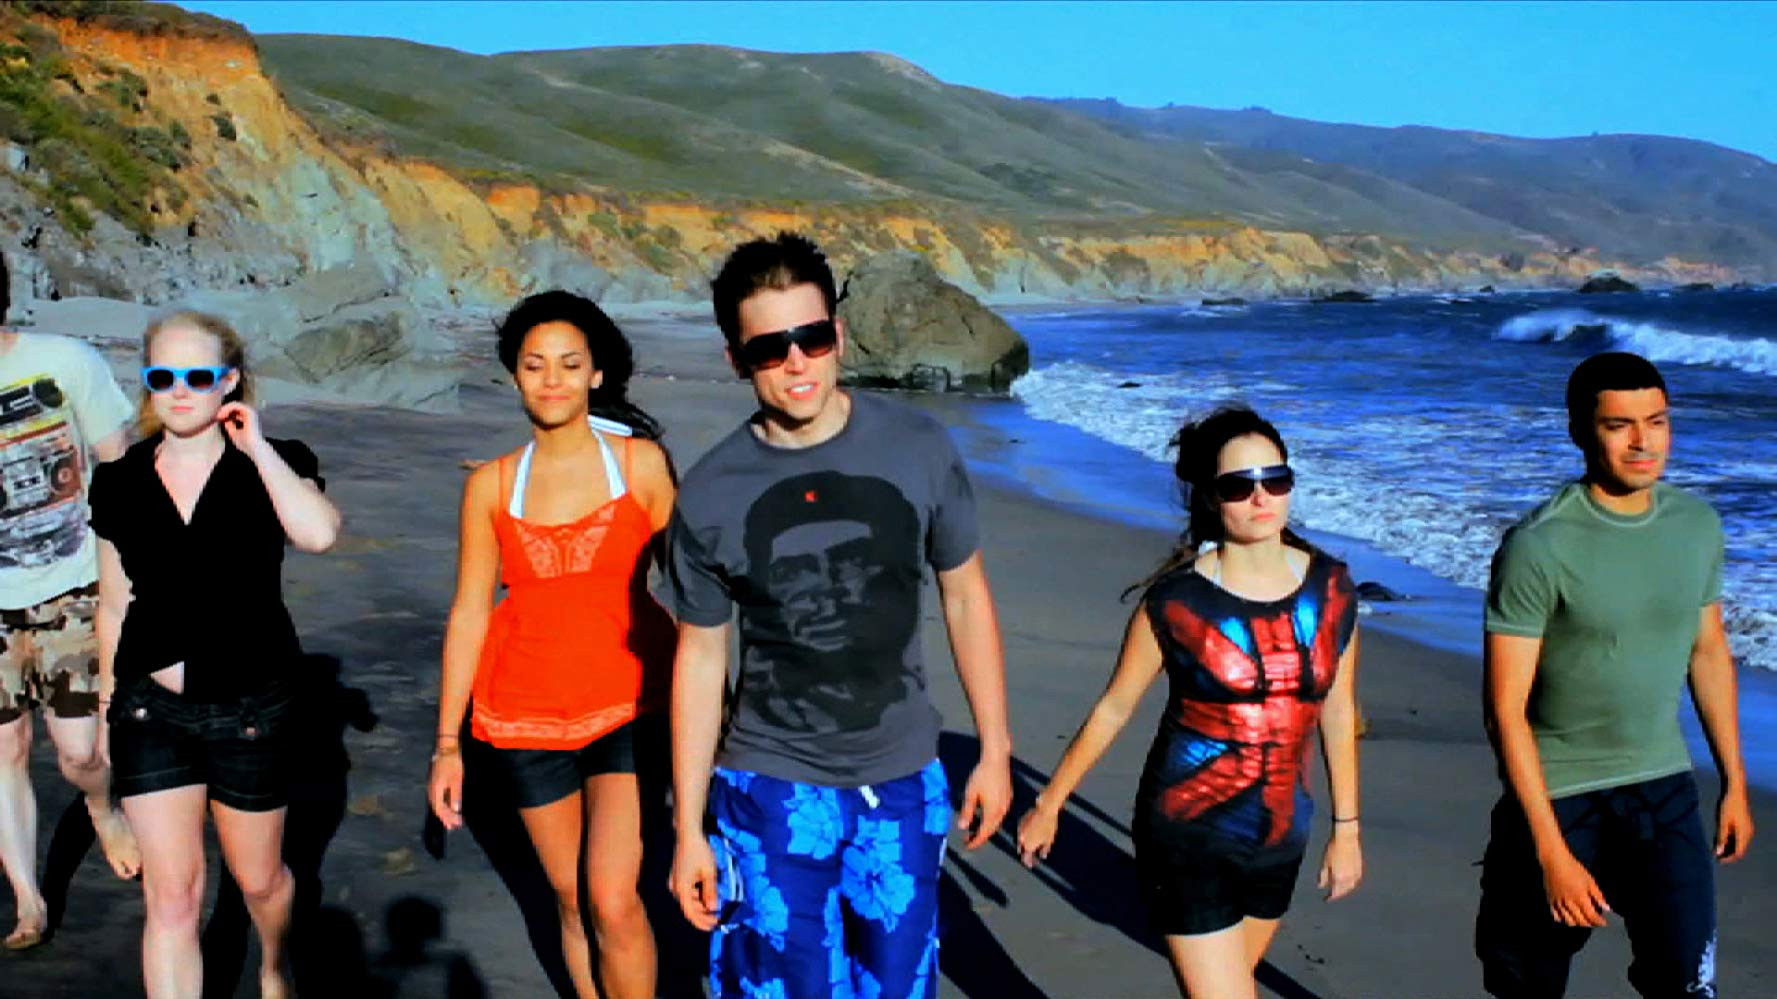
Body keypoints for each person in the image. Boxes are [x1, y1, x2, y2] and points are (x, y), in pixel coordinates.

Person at [666, 232, 1013, 999]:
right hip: (769, 783)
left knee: (898, 985)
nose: (796, 361)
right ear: (736, 358)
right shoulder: (711, 491)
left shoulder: (918, 446)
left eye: (812, 337)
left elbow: (965, 594)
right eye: (769, 347)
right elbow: (699, 657)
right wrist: (688, 826)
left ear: (839, 335)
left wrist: (994, 747)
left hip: (902, 776)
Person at [1016, 405, 1362, 999]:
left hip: (1282, 833)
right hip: (1187, 830)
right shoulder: (1176, 601)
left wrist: (1347, 829)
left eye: (1275, 479)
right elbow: (1114, 707)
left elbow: (1337, 709)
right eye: (1239, 486)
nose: (1261, 497)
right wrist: (1050, 804)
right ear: (1209, 497)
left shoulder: (1332, 589)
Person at [1477, 351, 1753, 999]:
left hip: (1664, 790)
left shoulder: (1695, 525)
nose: (1642, 442)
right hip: (1561, 795)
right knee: (1526, 985)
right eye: (1618, 425)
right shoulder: (1539, 545)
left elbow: (1708, 652)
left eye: (1656, 421)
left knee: (1686, 983)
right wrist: (1551, 852)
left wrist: (1734, 782)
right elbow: (1504, 711)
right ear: (1580, 430)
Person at [428, 291, 676, 999]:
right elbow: (470, 612)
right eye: (534, 365)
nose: (552, 379)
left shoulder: (641, 465)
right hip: (523, 717)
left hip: (629, 705)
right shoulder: (491, 485)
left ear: (596, 373)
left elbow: (697, 593)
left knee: (613, 899)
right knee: (569, 899)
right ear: (515, 374)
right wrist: (447, 744)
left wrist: (717, 709)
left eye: (569, 364)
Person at [92, 311, 339, 998]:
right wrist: (109, 701)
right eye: (162, 376)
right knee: (172, 897)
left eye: (198, 376)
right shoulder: (119, 480)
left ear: (228, 381)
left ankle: (275, 964)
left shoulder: (275, 460)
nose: (180, 391)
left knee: (260, 880)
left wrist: (256, 447)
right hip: (151, 709)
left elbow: (319, 534)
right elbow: (113, 602)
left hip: (250, 707)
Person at [0, 249, 141, 951]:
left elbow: (122, 464)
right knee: (5, 747)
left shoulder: (65, 361)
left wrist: (131, 573)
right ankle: (28, 898)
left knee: (81, 753)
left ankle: (102, 806)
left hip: (72, 584)